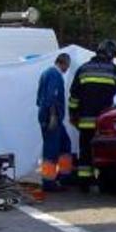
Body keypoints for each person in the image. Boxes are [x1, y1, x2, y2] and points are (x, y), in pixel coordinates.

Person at [69, 40, 116, 192]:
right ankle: (104, 182)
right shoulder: (114, 70)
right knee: (105, 152)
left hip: (85, 122)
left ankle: (84, 183)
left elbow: (74, 96)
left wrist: (73, 114)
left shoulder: (83, 69)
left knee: (85, 151)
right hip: (105, 123)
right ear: (109, 54)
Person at [37, 53, 72, 191]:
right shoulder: (55, 75)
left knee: (65, 144)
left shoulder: (45, 73)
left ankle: (63, 177)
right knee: (51, 150)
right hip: (53, 118)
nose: (67, 69)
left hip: (50, 117)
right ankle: (49, 182)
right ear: (63, 63)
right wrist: (52, 116)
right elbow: (52, 97)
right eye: (67, 66)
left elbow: (39, 98)